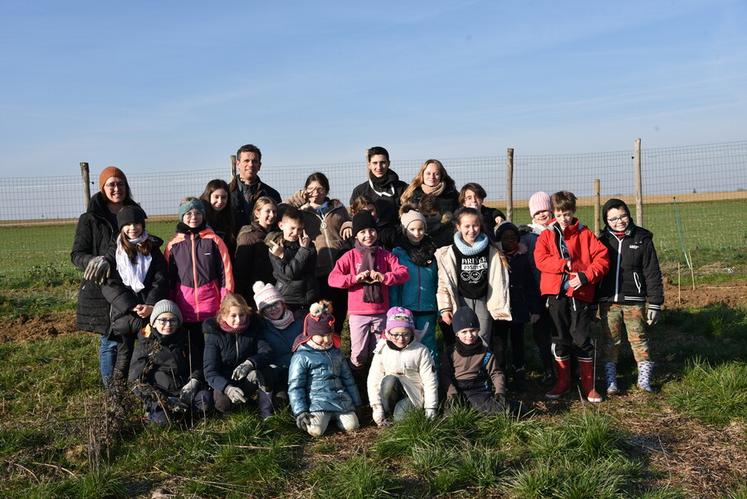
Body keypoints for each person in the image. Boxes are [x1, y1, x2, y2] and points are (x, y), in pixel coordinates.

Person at [534, 191, 609, 403]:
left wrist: (584, 276)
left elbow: (602, 259)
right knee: (559, 338)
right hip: (555, 293)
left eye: (567, 213)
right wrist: (562, 265)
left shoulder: (585, 234)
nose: (563, 218)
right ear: (553, 213)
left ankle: (588, 385)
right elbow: (541, 260)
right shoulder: (547, 235)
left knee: (581, 337)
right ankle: (562, 382)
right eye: (559, 213)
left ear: (573, 212)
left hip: (580, 293)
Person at [71, 166, 141, 385]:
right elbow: (77, 254)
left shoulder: (133, 212)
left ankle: (126, 384)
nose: (116, 188)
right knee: (110, 339)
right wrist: (92, 261)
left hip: (130, 284)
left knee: (128, 337)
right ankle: (111, 390)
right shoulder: (90, 218)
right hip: (103, 287)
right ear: (102, 188)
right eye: (111, 184)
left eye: (120, 183)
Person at [328, 210, 409, 392]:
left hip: (381, 312)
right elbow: (333, 279)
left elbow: (403, 272)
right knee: (358, 354)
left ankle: (376, 388)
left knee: (379, 352)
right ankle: (355, 385)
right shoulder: (349, 256)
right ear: (356, 234)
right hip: (358, 314)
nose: (368, 235)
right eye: (363, 232)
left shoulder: (385, 255)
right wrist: (355, 278)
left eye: (371, 230)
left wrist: (385, 277)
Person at [165, 197, 234, 385]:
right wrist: (172, 304)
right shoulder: (173, 245)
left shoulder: (214, 241)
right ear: (182, 217)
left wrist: (225, 302)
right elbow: (169, 279)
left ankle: (216, 380)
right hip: (184, 308)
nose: (193, 217)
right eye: (188, 213)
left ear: (203, 215)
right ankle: (196, 380)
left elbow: (225, 272)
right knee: (191, 346)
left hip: (212, 306)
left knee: (213, 346)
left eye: (197, 213)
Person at [597, 198, 663, 394]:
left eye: (623, 216)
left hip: (634, 300)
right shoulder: (601, 241)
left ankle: (644, 380)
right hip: (609, 301)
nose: (619, 221)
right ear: (606, 220)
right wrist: (592, 303)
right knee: (610, 341)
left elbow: (652, 272)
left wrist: (655, 303)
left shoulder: (642, 239)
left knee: (638, 338)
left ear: (629, 214)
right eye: (613, 218)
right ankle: (611, 381)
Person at [101, 205, 168, 381]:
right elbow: (109, 283)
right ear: (121, 227)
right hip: (124, 314)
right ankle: (118, 395)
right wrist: (131, 306)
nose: (133, 228)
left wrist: (151, 305)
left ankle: (144, 389)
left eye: (137, 223)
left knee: (146, 354)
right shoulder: (113, 252)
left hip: (147, 314)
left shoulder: (153, 249)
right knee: (123, 355)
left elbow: (160, 279)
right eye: (127, 224)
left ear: (143, 225)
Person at [435, 207, 512, 348]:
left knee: (482, 337)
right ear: (458, 227)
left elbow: (498, 280)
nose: (472, 230)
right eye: (467, 226)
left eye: (475, 225)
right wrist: (445, 308)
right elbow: (444, 283)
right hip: (461, 300)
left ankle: (482, 368)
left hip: (483, 300)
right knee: (463, 338)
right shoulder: (449, 253)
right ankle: (463, 369)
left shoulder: (491, 250)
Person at [128, 300, 212, 425]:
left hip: (186, 392)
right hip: (161, 396)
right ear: (154, 323)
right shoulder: (145, 345)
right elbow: (135, 381)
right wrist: (162, 399)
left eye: (173, 320)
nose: (168, 324)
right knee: (164, 421)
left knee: (206, 400)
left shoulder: (185, 340)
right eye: (163, 320)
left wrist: (194, 381)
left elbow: (197, 365)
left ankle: (185, 414)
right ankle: (162, 414)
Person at [288, 302, 361, 436]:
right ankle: (324, 418)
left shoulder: (336, 352)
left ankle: (336, 417)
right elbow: (296, 386)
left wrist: (356, 402)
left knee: (352, 425)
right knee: (316, 430)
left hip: (340, 399)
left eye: (329, 334)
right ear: (310, 334)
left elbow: (347, 379)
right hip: (317, 402)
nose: (326, 339)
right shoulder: (302, 356)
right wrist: (300, 410)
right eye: (321, 335)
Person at [288, 172, 351, 331]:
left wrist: (348, 225)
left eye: (320, 189)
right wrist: (294, 201)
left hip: (339, 268)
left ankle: (337, 345)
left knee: (340, 311)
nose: (316, 193)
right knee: (322, 313)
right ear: (305, 191)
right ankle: (323, 342)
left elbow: (348, 222)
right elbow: (282, 214)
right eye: (311, 189)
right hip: (317, 270)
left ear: (327, 190)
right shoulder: (301, 212)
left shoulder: (338, 207)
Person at [203, 293, 275, 418]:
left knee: (266, 372)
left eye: (242, 315)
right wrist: (227, 388)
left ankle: (264, 410)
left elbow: (267, 352)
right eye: (233, 316)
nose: (239, 320)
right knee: (223, 404)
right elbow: (210, 372)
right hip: (225, 380)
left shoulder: (253, 329)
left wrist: (250, 363)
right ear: (224, 316)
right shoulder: (214, 335)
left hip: (247, 377)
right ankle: (234, 413)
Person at [367, 307, 438, 426]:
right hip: (391, 391)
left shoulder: (421, 350)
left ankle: (401, 413)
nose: (400, 339)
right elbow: (374, 379)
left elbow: (430, 381)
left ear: (412, 332)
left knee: (401, 419)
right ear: (388, 333)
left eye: (406, 334)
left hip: (413, 394)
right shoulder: (382, 349)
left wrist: (430, 408)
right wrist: (376, 407)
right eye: (396, 335)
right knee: (389, 380)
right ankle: (387, 411)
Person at [492, 222, 541, 391]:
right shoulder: (495, 256)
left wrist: (534, 308)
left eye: (514, 238)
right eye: (506, 238)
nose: (510, 241)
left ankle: (519, 371)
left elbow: (530, 285)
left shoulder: (522, 257)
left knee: (518, 341)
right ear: (499, 239)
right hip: (501, 307)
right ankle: (501, 374)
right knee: (500, 343)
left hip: (519, 307)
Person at [390, 205, 439, 364]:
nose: (417, 233)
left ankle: (433, 382)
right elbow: (395, 284)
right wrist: (396, 308)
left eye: (420, 229)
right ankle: (408, 385)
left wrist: (439, 307)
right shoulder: (398, 253)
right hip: (406, 309)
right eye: (412, 229)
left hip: (427, 308)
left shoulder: (432, 252)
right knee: (407, 347)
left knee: (428, 346)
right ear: (405, 230)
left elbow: (438, 281)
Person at [518, 192, 556, 383]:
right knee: (541, 333)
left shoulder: (559, 230)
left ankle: (566, 369)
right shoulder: (527, 236)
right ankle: (548, 368)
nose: (542, 215)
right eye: (537, 212)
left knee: (559, 331)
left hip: (558, 289)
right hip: (537, 290)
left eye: (545, 210)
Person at [440, 306, 507, 413]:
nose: (469, 335)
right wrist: (452, 394)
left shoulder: (486, 352)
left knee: (499, 409)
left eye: (473, 330)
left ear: (478, 330)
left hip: (478, 390)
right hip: (457, 390)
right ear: (457, 333)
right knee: (452, 413)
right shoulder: (450, 352)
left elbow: (496, 374)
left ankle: (515, 406)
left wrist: (500, 392)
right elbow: (445, 375)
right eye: (464, 332)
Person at [253, 281, 303, 399]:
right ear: (262, 311)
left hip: (302, 369)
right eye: (267, 307)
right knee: (282, 400)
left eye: (276, 303)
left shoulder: (298, 320)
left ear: (283, 303)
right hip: (280, 372)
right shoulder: (262, 328)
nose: (273, 309)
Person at [268, 206, 318, 317]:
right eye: (292, 228)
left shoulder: (309, 245)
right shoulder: (275, 247)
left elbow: (309, 271)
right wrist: (303, 251)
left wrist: (304, 249)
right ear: (281, 225)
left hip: (308, 298)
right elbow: (289, 274)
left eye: (299, 229)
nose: (295, 233)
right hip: (288, 299)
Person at [400, 160, 459, 247]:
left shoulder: (451, 195)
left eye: (436, 173)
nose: (432, 177)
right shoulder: (411, 194)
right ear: (422, 175)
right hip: (417, 243)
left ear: (441, 175)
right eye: (428, 173)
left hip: (445, 243)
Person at [349, 146, 407, 233]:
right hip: (370, 239)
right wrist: (347, 225)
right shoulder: (359, 191)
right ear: (369, 165)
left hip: (398, 237)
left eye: (382, 162)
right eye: (375, 163)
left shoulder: (402, 188)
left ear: (388, 163)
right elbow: (354, 217)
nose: (379, 167)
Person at [234, 196, 278, 306]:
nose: (272, 215)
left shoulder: (277, 235)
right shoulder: (248, 236)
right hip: (253, 293)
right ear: (257, 214)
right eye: (268, 211)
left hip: (272, 290)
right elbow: (241, 270)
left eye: (274, 211)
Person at [228, 144, 282, 232]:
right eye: (246, 161)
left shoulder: (272, 194)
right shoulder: (226, 193)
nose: (251, 164)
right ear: (238, 164)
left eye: (254, 161)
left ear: (259, 165)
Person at [200, 179, 236, 257]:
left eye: (223, 197)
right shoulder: (199, 217)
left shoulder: (229, 216)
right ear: (208, 196)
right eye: (216, 197)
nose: (220, 201)